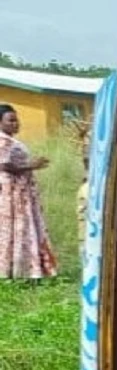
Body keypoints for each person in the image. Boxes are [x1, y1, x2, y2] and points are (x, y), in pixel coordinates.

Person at [0, 104, 56, 281]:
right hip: (12, 191)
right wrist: (31, 165)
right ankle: (14, 271)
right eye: (11, 120)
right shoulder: (3, 141)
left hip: (20, 190)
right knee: (16, 228)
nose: (16, 124)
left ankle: (22, 269)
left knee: (23, 228)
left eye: (17, 120)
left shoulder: (9, 140)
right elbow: (3, 165)